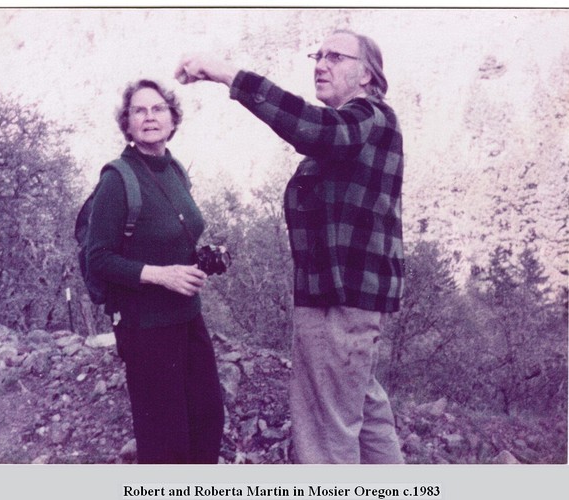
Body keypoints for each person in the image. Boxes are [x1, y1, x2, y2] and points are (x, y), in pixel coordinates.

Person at [174, 29, 405, 464]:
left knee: (324, 438)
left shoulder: (366, 118)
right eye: (318, 55)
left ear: (367, 75)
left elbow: (310, 127)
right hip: (349, 305)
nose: (321, 64)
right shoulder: (361, 129)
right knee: (365, 416)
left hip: (337, 305)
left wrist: (225, 73)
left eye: (335, 56)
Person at [86, 79, 224, 464]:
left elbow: (175, 234)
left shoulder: (175, 170)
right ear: (127, 124)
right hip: (145, 328)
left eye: (158, 109)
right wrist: (161, 275)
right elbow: (99, 258)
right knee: (167, 442)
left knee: (208, 420)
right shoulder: (117, 179)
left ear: (172, 118)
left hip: (188, 318)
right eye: (139, 111)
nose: (149, 117)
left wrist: (202, 260)